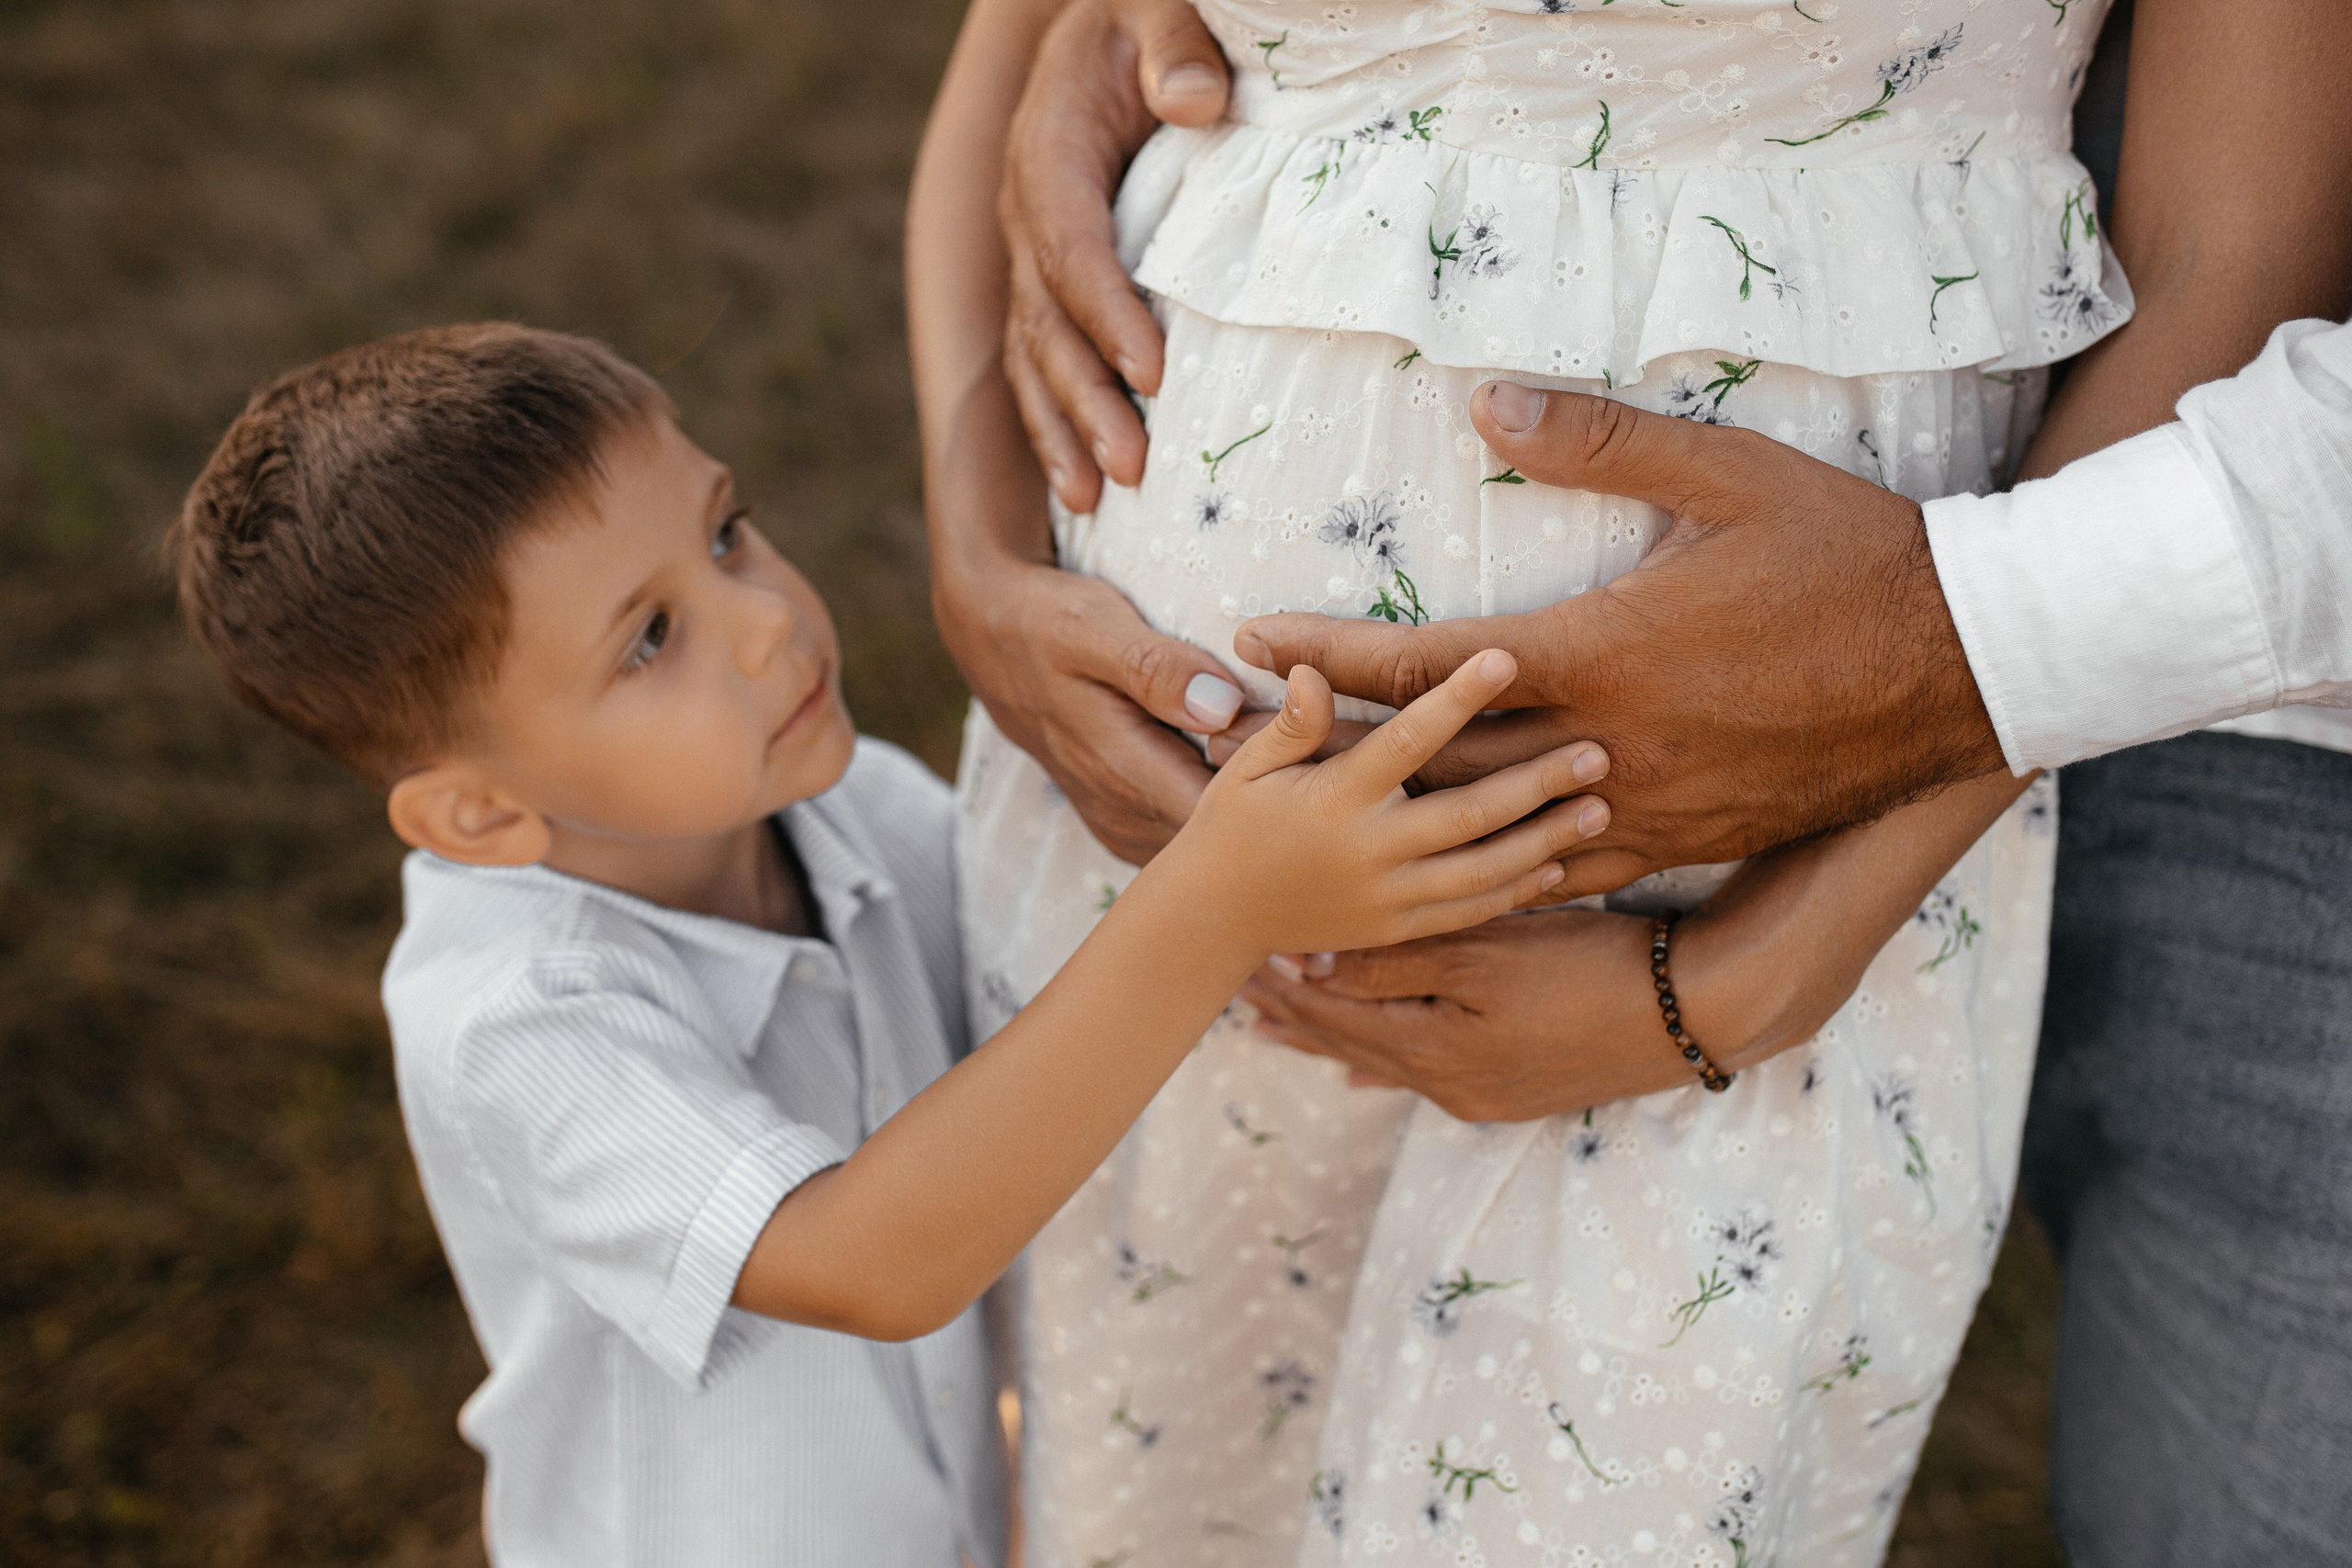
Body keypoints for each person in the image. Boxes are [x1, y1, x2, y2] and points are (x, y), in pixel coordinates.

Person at [906, 0, 2346, 1560]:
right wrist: (973, 544)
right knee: (1154, 1505)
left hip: (1777, 867)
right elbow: (1035, 48)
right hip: (1158, 834)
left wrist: (1773, 954)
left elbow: (2234, 264)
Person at [164, 322, 1609, 1568]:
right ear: (479, 813)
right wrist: (1219, 901)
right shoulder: (517, 1020)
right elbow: (875, 1261)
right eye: (648, 640)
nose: (764, 622)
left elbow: (1051, 1013)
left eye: (724, 533)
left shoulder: (850, 807)